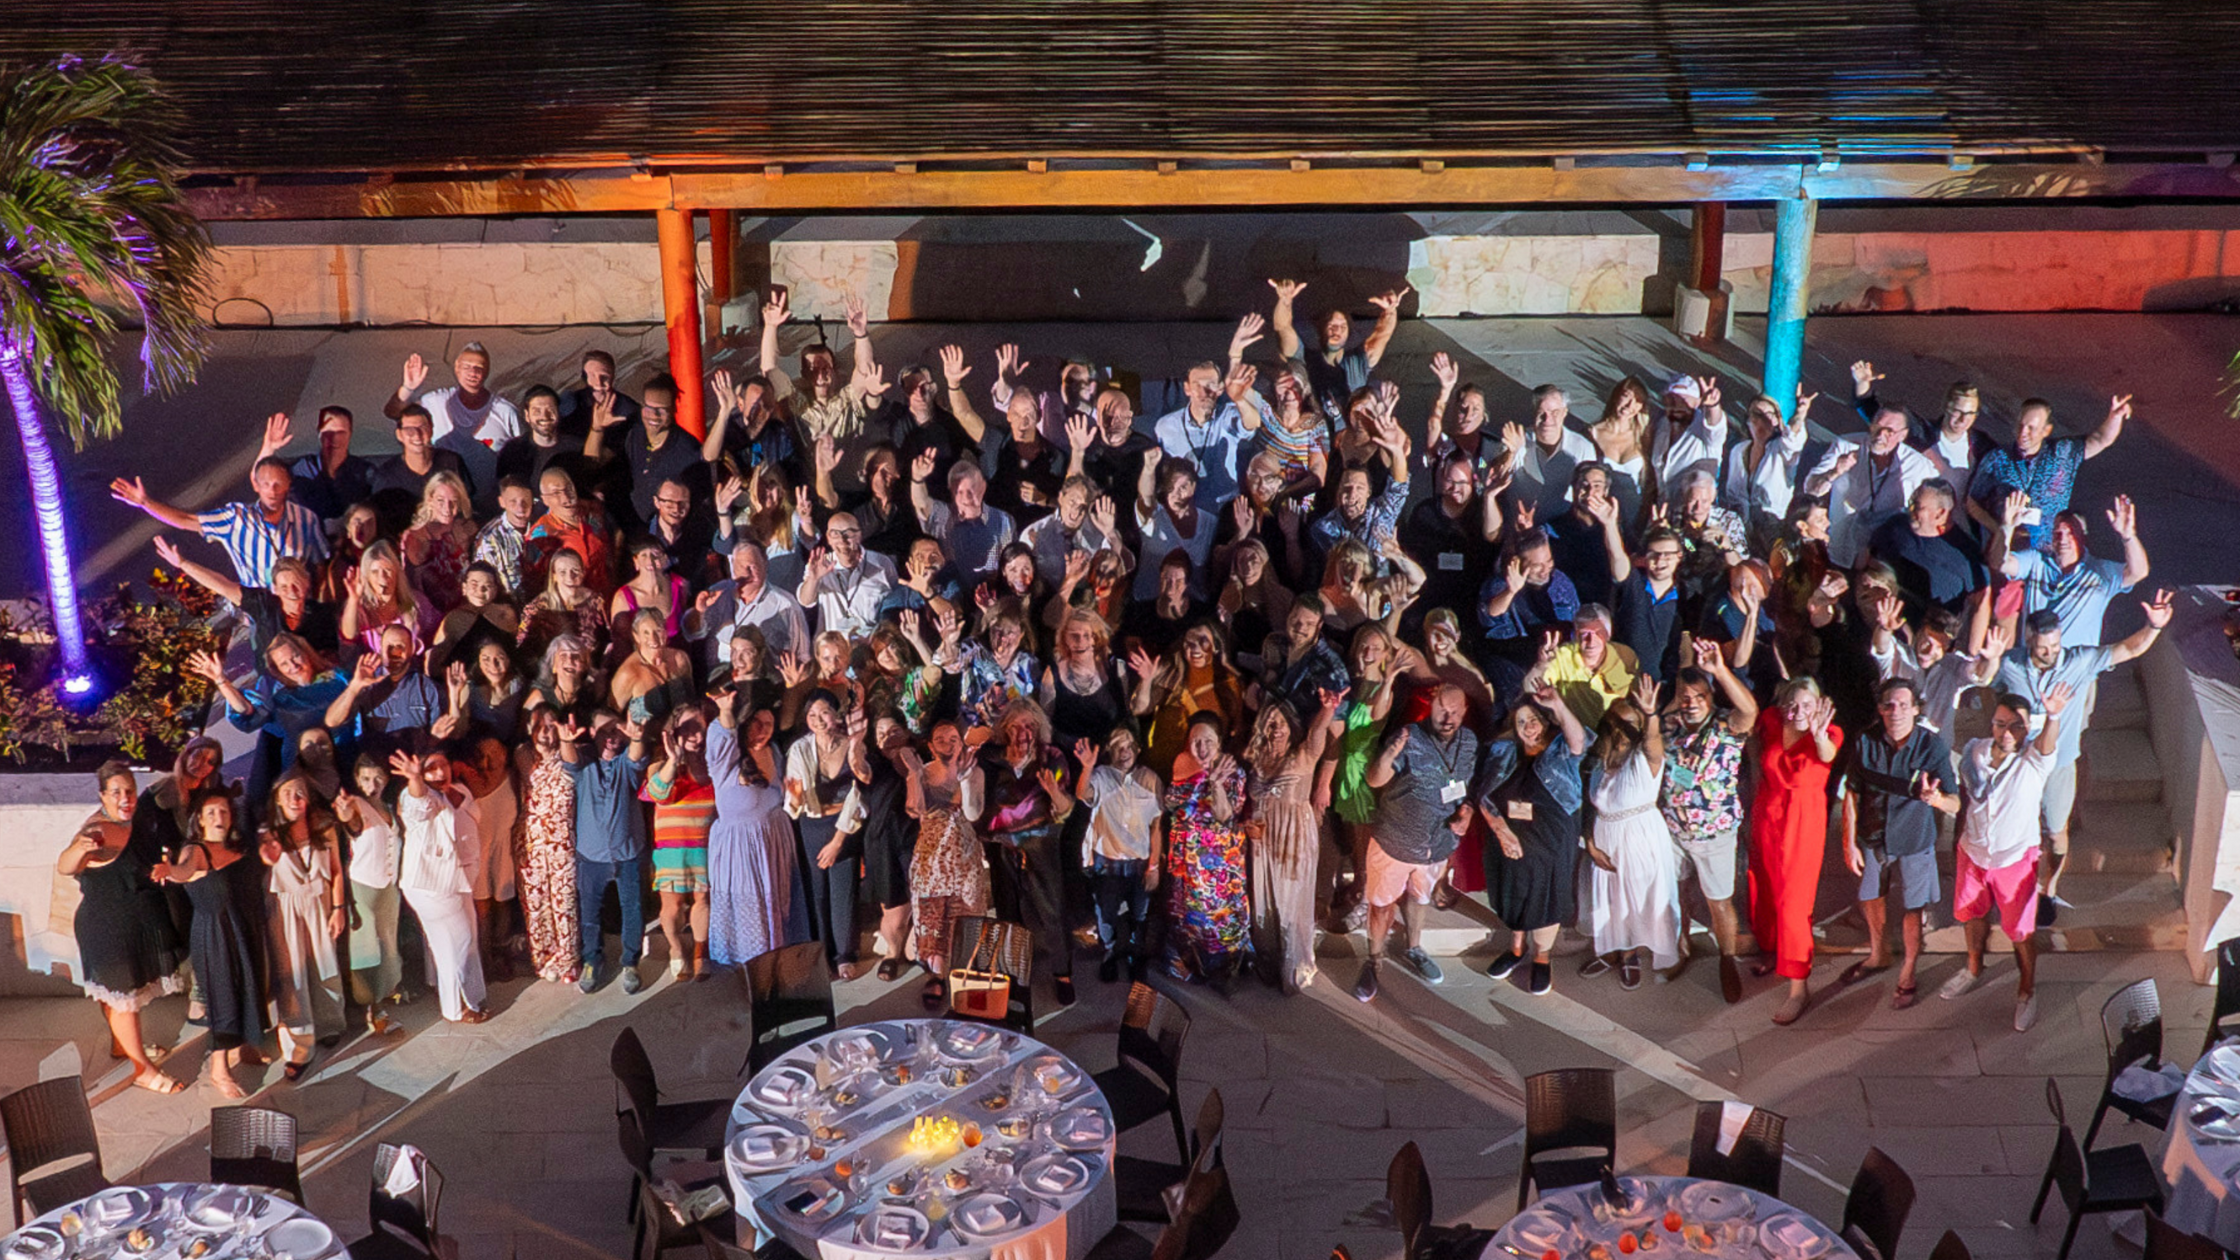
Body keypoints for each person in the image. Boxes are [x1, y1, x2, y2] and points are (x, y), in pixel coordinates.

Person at [1984, 593, 2173, 901]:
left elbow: (2127, 648)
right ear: (2029, 640)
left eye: (2056, 646)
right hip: (2020, 765)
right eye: (2044, 648)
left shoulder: (2078, 660)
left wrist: (2153, 627)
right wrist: (1989, 659)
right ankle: (2016, 887)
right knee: (2017, 831)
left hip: (2058, 764)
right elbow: (1981, 680)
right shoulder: (2011, 664)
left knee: (2057, 832)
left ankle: (2051, 884)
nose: (2051, 653)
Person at [1941, 686, 2073, 1031]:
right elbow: (1964, 802)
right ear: (1992, 724)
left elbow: (2048, 745)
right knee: (1971, 914)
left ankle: (2026, 990)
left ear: (2027, 729)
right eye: (2001, 724)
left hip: (2015, 860)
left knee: (2020, 931)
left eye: (2017, 726)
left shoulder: (2033, 761)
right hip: (1973, 853)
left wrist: (2055, 715)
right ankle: (1973, 967)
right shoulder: (1975, 752)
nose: (2008, 732)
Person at [62, 763, 189, 1093]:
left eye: (129, 790)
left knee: (121, 999)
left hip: (131, 924)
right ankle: (142, 1069)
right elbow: (66, 865)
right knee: (123, 1001)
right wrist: (79, 849)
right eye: (116, 792)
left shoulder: (136, 821)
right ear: (103, 795)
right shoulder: (96, 829)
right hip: (107, 929)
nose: (125, 797)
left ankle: (123, 1047)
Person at [1837, 678, 1958, 1012]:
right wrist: (1849, 841)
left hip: (1914, 838)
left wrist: (1936, 800)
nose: (1896, 711)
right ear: (1880, 709)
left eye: (1904, 705)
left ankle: (1908, 968)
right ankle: (1878, 955)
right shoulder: (1865, 741)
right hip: (1873, 835)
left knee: (1913, 905)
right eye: (1889, 704)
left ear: (1917, 709)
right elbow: (1852, 792)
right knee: (1872, 895)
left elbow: (1955, 803)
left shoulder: (1931, 746)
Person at [1355, 683, 1480, 1002]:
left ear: (1464, 711)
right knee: (1382, 906)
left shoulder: (1469, 742)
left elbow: (1465, 790)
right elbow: (1374, 779)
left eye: (1454, 710)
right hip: (1395, 841)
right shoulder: (1409, 737)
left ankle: (1414, 949)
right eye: (1442, 709)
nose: (1447, 716)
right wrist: (1388, 756)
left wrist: (1465, 813)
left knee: (1418, 898)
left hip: (1436, 845)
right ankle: (1374, 961)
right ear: (1431, 706)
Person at [1658, 640, 1760, 1003]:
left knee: (1719, 901)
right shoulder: (1668, 726)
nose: (1691, 702)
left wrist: (1719, 670)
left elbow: (1750, 709)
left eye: (1699, 695)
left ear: (1711, 696)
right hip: (1673, 830)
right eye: (1685, 696)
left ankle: (1727, 960)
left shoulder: (1726, 726)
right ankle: (1681, 948)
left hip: (1714, 832)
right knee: (1677, 894)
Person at [158, 788, 267, 1097]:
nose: (219, 818)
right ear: (200, 821)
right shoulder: (195, 850)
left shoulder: (239, 847)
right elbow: (183, 872)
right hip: (214, 933)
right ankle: (219, 1069)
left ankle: (245, 1047)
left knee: (248, 987)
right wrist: (170, 870)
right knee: (224, 997)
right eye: (211, 813)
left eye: (224, 812)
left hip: (245, 929)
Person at [1748, 678, 1843, 1026]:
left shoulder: (1829, 733)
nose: (1798, 712)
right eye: (1793, 704)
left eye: (1806, 705)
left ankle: (1798, 987)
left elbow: (1827, 754)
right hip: (1767, 816)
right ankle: (1774, 951)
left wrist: (1817, 734)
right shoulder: (1773, 719)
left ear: (1819, 706)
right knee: (1765, 890)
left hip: (1802, 825)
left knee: (1794, 904)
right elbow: (1753, 734)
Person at [1243, 690, 1343, 993]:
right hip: (1261, 839)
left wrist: (1327, 711)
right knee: (1263, 900)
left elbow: (1317, 735)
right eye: (1271, 723)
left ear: (1292, 727)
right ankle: (1269, 960)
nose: (1276, 729)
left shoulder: (1303, 755)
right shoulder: (1256, 758)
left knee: (1289, 902)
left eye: (1282, 723)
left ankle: (1293, 967)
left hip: (1293, 836)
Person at [1584, 676, 1679, 988]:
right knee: (1611, 900)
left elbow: (1653, 743)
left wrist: (1651, 715)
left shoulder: (1645, 759)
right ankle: (1613, 950)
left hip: (1638, 836)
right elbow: (1590, 807)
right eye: (1619, 723)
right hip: (1604, 838)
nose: (1625, 730)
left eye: (1631, 725)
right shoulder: (1598, 762)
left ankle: (1630, 955)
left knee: (1636, 898)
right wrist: (1590, 843)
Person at [112, 456, 328, 588]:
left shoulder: (305, 519)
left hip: (302, 607)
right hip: (262, 610)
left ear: (289, 485)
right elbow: (186, 520)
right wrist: (145, 502)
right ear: (257, 487)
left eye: (278, 484)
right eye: (266, 484)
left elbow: (320, 565)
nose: (272, 490)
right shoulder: (236, 519)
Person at [707, 692, 809, 967]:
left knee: (778, 908)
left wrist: (795, 797)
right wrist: (726, 711)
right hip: (740, 848)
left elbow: (788, 798)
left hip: (774, 841)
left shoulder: (774, 751)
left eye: (769, 724)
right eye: (757, 723)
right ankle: (752, 971)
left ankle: (776, 967)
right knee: (749, 912)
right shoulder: (726, 759)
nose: (764, 730)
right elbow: (721, 737)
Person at [258, 774, 348, 1079]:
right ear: (278, 800)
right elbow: (263, 861)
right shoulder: (268, 834)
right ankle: (298, 1047)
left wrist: (339, 908)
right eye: (289, 795)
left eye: (301, 794)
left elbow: (336, 871)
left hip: (320, 902)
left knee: (325, 965)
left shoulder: (324, 827)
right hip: (285, 908)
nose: (296, 800)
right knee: (292, 974)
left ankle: (329, 1023)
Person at [392, 749, 491, 1024]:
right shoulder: (415, 797)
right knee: (458, 945)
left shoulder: (458, 789)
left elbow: (472, 815)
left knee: (457, 942)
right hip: (432, 886)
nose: (438, 773)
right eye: (430, 768)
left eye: (443, 765)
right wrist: (414, 779)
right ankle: (459, 1007)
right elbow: (418, 805)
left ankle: (468, 996)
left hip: (459, 881)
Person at [560, 710, 651, 993]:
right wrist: (566, 740)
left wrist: (636, 737)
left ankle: (630, 962)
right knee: (589, 913)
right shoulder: (585, 763)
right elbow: (569, 760)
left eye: (616, 730)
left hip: (628, 853)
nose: (612, 737)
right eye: (604, 731)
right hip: (591, 855)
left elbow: (636, 757)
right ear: (592, 734)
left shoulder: (626, 762)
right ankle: (591, 960)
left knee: (633, 910)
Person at [1967, 393, 2131, 549]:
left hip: (2049, 555)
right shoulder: (1996, 459)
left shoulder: (2062, 453)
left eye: (2031, 428)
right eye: (2021, 425)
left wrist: (2115, 417)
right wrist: (2000, 530)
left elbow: (2101, 439)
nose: (2023, 433)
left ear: (2046, 430)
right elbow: (1971, 503)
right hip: (2006, 554)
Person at [1988, 491, 2148, 646]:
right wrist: (2007, 527)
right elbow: (1999, 563)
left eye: (2071, 533)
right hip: (2032, 666)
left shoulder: (2100, 571)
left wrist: (2128, 536)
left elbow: (2138, 573)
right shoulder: (2037, 561)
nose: (2063, 539)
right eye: (2058, 532)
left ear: (2082, 536)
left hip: (2073, 669)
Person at [1071, 728, 1165, 986]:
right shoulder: (1101, 776)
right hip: (1108, 862)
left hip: (1139, 863)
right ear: (1110, 752)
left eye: (1128, 747)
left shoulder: (1150, 779)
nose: (1124, 753)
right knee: (1106, 913)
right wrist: (1087, 767)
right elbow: (1082, 794)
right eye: (1118, 747)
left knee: (1140, 913)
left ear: (1137, 749)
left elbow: (1156, 827)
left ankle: (1136, 955)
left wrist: (1154, 865)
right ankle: (1110, 952)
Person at [1162, 712, 1250, 986]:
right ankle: (1194, 964)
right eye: (1195, 741)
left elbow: (1225, 815)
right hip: (1184, 856)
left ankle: (1225, 969)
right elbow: (1171, 806)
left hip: (1216, 864)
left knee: (1218, 916)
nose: (1201, 748)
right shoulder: (1180, 763)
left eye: (1208, 741)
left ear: (1219, 742)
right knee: (1186, 914)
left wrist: (1214, 782)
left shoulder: (1232, 772)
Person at [784, 691, 868, 979]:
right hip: (812, 826)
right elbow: (794, 801)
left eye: (824, 713)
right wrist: (794, 799)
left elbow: (858, 797)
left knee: (843, 891)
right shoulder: (800, 749)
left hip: (843, 827)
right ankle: (821, 954)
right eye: (812, 715)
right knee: (816, 892)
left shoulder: (853, 745)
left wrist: (837, 841)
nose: (818, 720)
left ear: (836, 714)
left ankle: (844, 954)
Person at [1803, 405, 1936, 569]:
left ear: (1903, 435)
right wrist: (1835, 472)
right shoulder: (1846, 444)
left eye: (1889, 431)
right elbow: (1810, 489)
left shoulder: (1919, 466)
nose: (1880, 435)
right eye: (1877, 427)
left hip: (1880, 561)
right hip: (1840, 549)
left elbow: (1934, 503)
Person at [1268, 278, 1405, 425]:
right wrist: (1285, 302)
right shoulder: (1304, 358)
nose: (1337, 331)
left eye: (1342, 326)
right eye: (1331, 325)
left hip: (1349, 441)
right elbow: (1283, 328)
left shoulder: (1356, 364)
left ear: (1348, 333)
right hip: (1311, 439)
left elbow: (1382, 335)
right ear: (1321, 330)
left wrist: (1389, 312)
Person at [644, 709, 717, 982]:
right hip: (671, 850)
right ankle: (676, 949)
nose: (696, 736)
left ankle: (701, 950)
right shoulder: (659, 766)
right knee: (672, 906)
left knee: (703, 899)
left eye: (700, 728)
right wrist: (674, 760)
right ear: (673, 732)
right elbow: (657, 793)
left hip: (705, 846)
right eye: (688, 729)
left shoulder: (713, 764)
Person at [336, 755, 405, 1029]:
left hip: (389, 887)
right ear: (356, 780)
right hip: (363, 888)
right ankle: (373, 1011)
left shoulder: (389, 806)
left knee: (389, 945)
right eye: (365, 778)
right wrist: (344, 814)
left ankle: (387, 994)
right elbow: (350, 822)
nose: (372, 784)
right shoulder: (356, 805)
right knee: (367, 951)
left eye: (377, 778)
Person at [1152, 358, 1264, 511]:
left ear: (1220, 389)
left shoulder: (1228, 415)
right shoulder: (1165, 427)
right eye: (1197, 386)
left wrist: (1238, 398)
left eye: (1210, 385)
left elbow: (1253, 422)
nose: (1204, 392)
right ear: (1187, 389)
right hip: (1184, 509)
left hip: (1225, 508)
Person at [796, 511, 896, 641]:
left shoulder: (882, 563)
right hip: (835, 650)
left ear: (859, 535)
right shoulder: (820, 565)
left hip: (873, 646)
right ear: (828, 538)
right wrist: (813, 579)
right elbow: (805, 601)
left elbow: (894, 600)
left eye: (848, 533)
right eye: (835, 534)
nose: (842, 541)